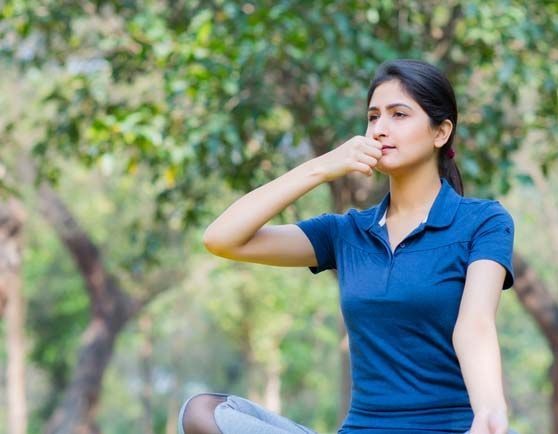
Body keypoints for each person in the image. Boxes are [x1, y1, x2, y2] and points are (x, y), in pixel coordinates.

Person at [179, 59, 518, 434]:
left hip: (449, 428)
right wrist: (321, 167)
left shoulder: (483, 222)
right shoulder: (346, 233)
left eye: (399, 115)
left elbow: (474, 326)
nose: (380, 129)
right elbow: (222, 238)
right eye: (373, 117)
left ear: (441, 133)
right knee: (201, 414)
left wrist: (489, 410)